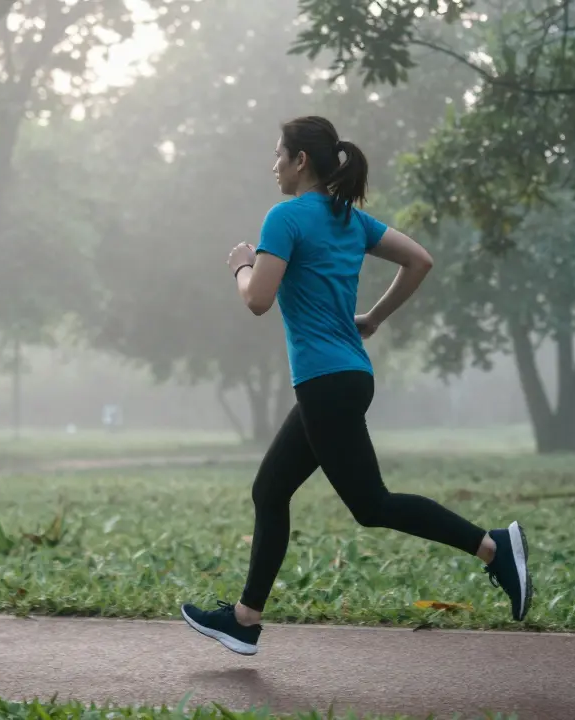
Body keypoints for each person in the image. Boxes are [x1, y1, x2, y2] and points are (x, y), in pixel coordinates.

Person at [180, 116, 532, 656]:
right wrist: (374, 318)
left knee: (372, 505)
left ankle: (494, 547)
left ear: (300, 161)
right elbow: (420, 260)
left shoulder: (285, 218)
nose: (273, 165)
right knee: (270, 491)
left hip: (325, 383)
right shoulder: (350, 219)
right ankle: (245, 620)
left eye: (278, 154)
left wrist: (242, 266)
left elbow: (258, 299)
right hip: (344, 376)